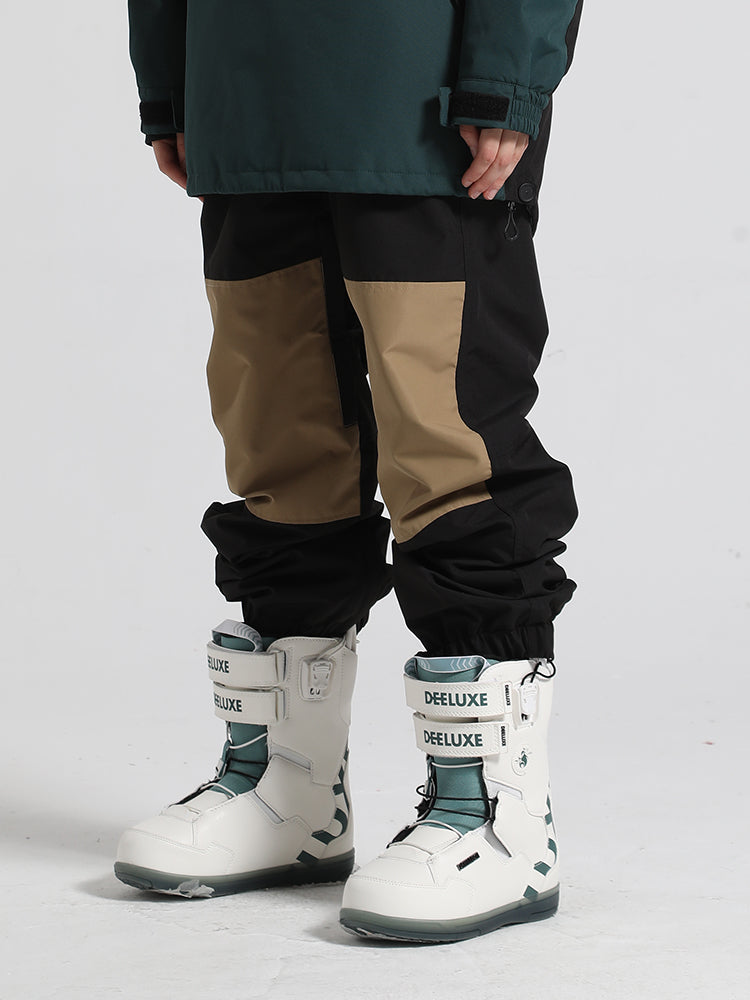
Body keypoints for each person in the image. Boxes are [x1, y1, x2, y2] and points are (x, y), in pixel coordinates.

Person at [115, 1, 584, 943]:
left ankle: (494, 816)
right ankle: (288, 790)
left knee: (449, 441)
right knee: (278, 442)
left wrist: (509, 75)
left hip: (421, 91)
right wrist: (168, 80)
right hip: (243, 88)